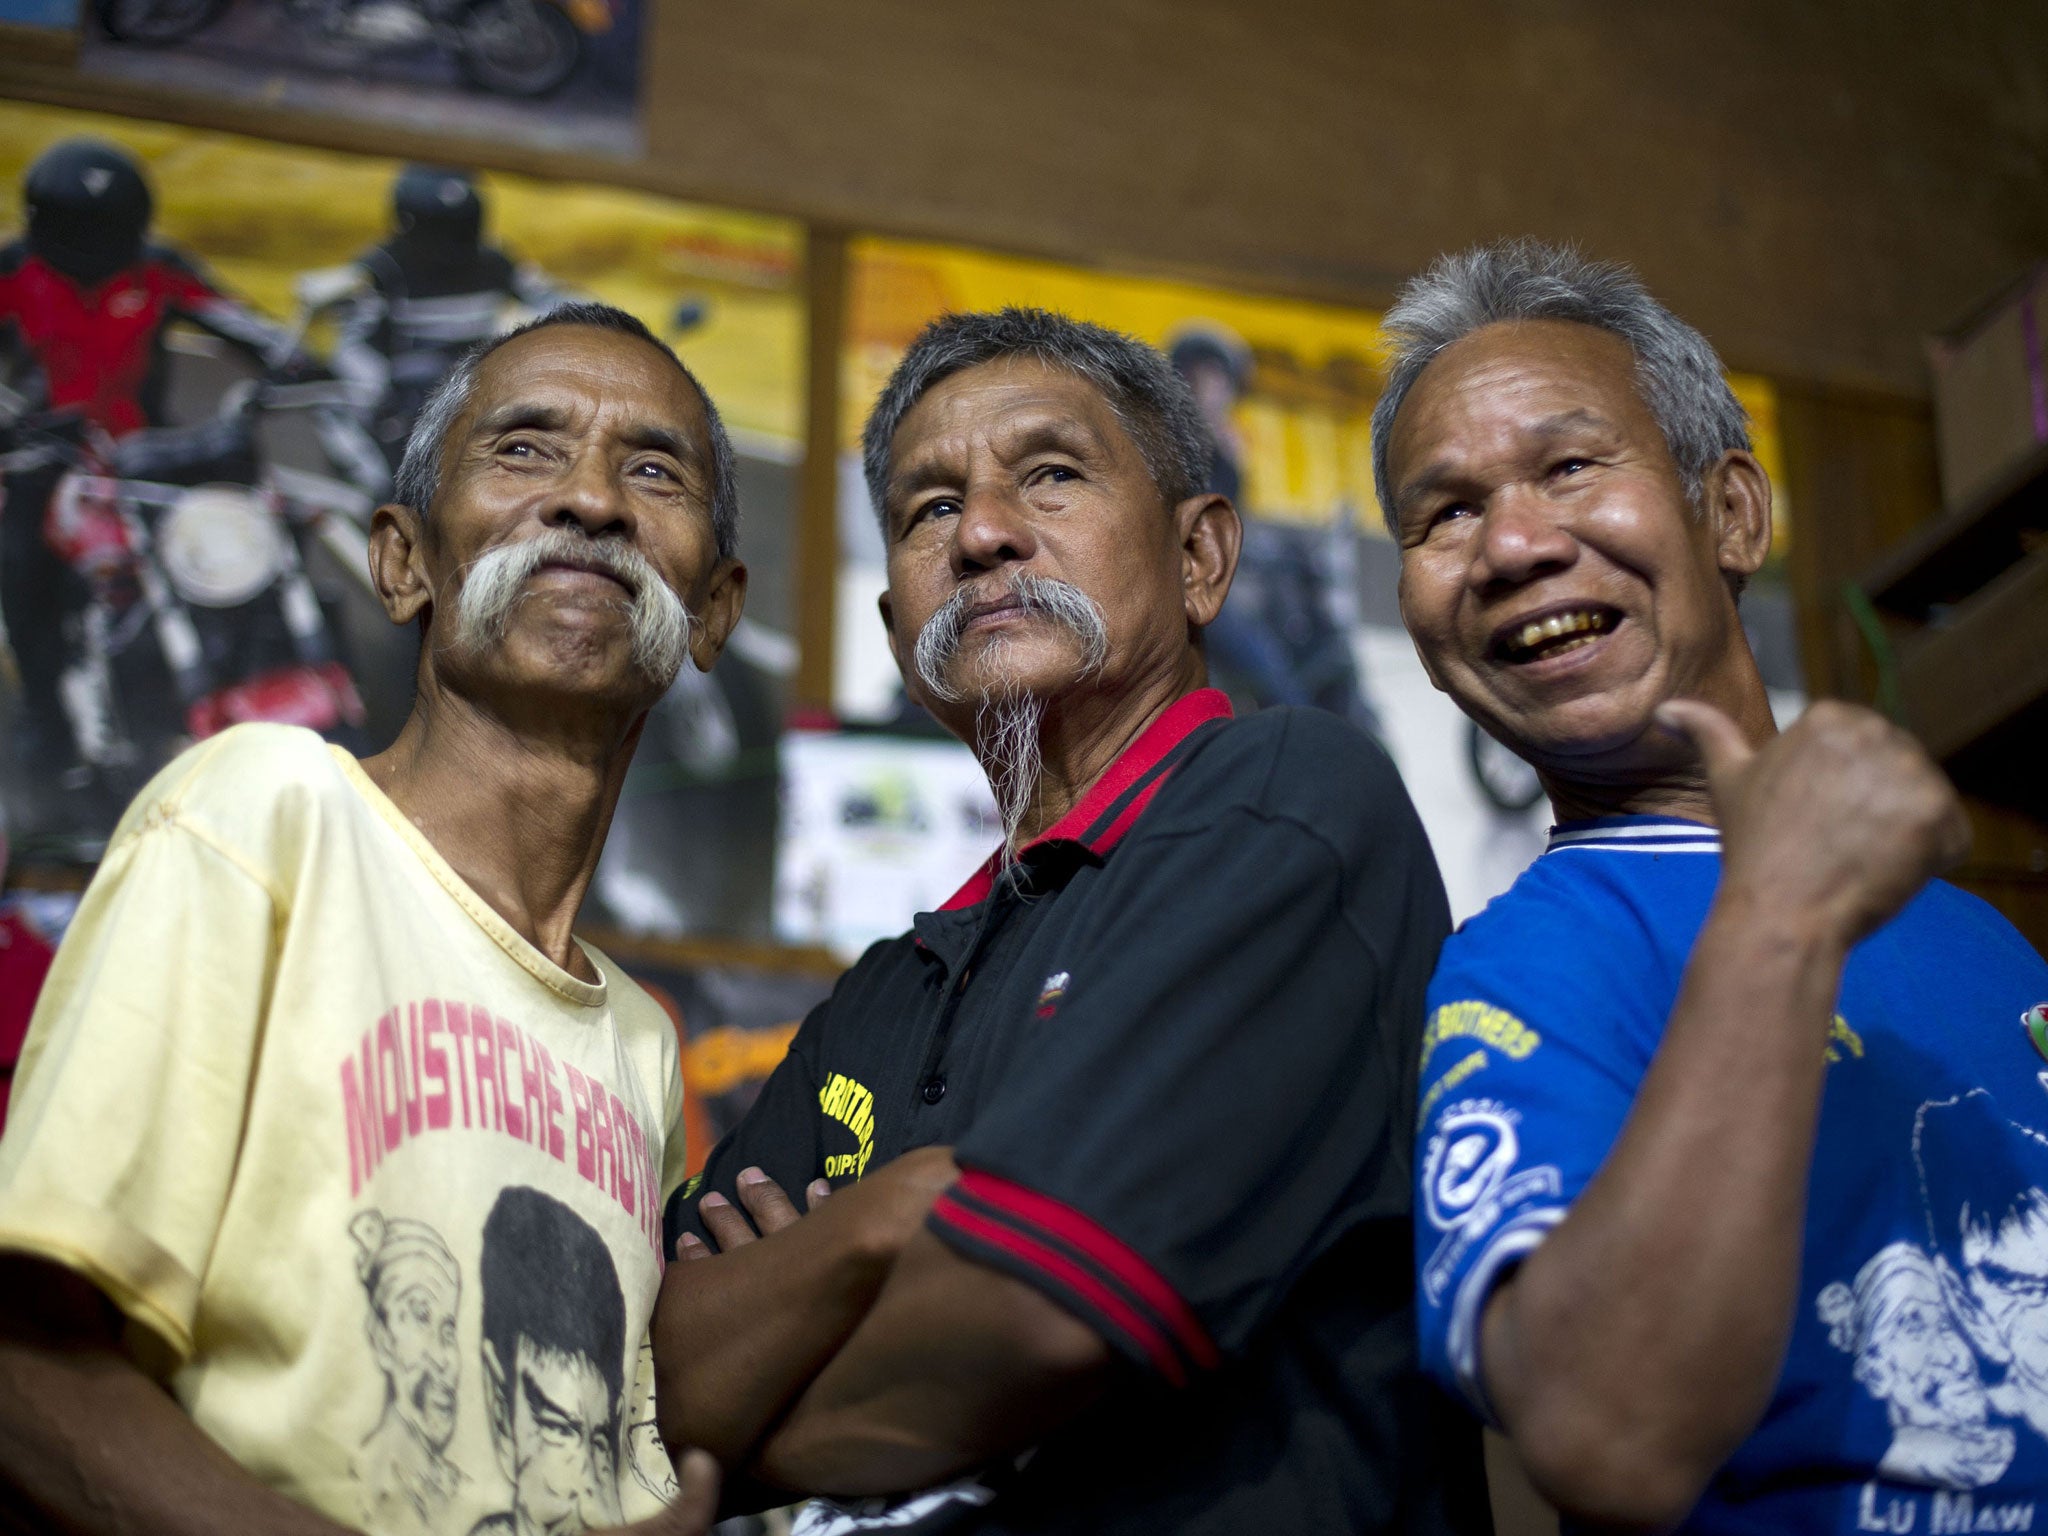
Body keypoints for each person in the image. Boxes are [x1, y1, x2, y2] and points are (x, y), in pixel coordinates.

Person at [656, 307, 1487, 1534]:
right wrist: (897, 1217)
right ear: (899, 635)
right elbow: (661, 1388)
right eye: (928, 510)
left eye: (1048, 475)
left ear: (1201, 558)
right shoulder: (880, 995)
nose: (984, 532)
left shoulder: (1287, 807)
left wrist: (779, 1357)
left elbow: (1029, 1316)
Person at [0, 301, 738, 1536]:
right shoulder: (264, 811)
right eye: (523, 449)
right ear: (403, 563)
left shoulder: (641, 1044)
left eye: (652, 469)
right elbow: (26, 1368)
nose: (592, 501)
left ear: (712, 611)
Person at [1375, 240, 2048, 1532]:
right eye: (1445, 511)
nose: (1513, 542)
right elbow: (1601, 1433)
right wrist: (1780, 910)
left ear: (1731, 515)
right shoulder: (1529, 966)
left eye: (1570, 465)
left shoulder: (1989, 945)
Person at [0, 137, 303, 776]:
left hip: (145, 462)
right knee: (25, 583)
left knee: (227, 562)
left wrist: (295, 359)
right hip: (39, 467)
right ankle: (48, 722)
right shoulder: (10, 275)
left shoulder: (157, 268)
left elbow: (240, 321)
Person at [329, 165, 572, 477]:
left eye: (461, 233)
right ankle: (373, 488)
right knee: (356, 413)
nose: (450, 251)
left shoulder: (493, 260)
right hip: (403, 392)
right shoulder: (384, 269)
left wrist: (597, 315)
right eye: (442, 235)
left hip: (474, 380)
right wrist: (374, 392)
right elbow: (355, 342)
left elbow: (548, 295)